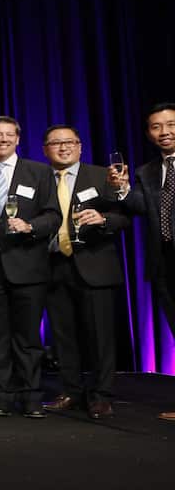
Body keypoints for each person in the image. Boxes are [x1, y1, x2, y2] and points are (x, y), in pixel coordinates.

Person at [0, 115, 59, 418]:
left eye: (9, 135)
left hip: (28, 267)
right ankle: (2, 395)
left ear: (18, 139)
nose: (3, 139)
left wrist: (30, 226)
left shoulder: (39, 172)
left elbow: (53, 216)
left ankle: (31, 395)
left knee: (28, 338)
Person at [39, 125, 126, 420]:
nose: (63, 148)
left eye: (69, 142)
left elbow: (125, 215)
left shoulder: (103, 175)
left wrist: (104, 219)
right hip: (53, 264)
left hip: (94, 263)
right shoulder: (39, 178)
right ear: (44, 149)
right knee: (64, 335)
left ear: (80, 146)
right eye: (55, 143)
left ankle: (101, 395)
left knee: (100, 335)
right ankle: (71, 391)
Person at [109, 102, 175, 421]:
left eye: (171, 124)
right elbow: (144, 209)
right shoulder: (148, 171)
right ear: (149, 133)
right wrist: (123, 190)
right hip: (164, 262)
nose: (164, 132)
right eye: (156, 127)